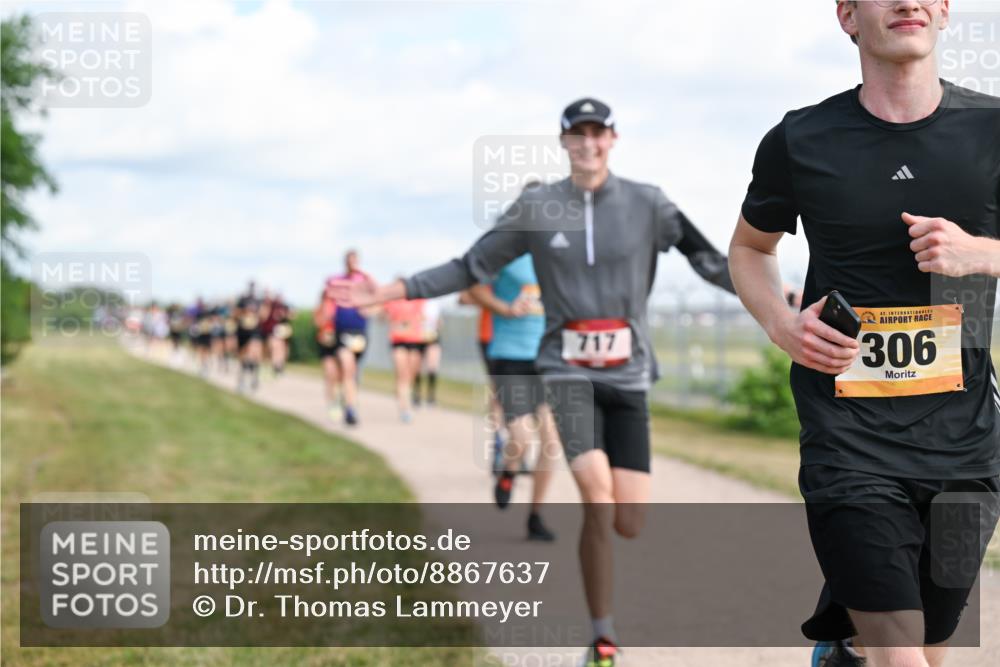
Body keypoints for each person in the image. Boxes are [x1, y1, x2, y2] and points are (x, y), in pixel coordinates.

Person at [334, 96, 736, 666]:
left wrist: (778, 300)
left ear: (613, 140)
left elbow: (710, 261)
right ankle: (602, 637)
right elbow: (468, 267)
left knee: (629, 519)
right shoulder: (538, 207)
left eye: (599, 134)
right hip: (565, 372)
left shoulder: (649, 204)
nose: (589, 144)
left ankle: (601, 620)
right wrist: (393, 289)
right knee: (596, 498)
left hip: (629, 376)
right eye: (578, 135)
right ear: (564, 143)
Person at [729, 3, 1000, 666]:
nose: (907, 1)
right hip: (848, 437)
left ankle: (844, 648)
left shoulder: (992, 129)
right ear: (848, 16)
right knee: (902, 656)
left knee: (931, 645)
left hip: (964, 443)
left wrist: (981, 254)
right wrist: (781, 324)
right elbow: (749, 248)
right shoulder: (801, 139)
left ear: (943, 12)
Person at [467, 251, 560, 542]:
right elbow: (473, 289)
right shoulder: (507, 254)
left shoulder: (557, 257)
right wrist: (504, 308)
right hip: (509, 357)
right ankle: (508, 472)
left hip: (547, 358)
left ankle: (535, 516)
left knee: (552, 443)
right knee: (521, 438)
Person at [331, 250, 375, 426]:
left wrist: (369, 310)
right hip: (342, 333)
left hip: (360, 334)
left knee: (353, 371)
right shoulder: (337, 282)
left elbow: (377, 300)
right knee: (348, 369)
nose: (353, 264)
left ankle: (349, 398)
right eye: (350, 261)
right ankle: (350, 410)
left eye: (356, 261)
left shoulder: (364, 283)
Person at [382, 295, 427, 422]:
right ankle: (405, 408)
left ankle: (404, 394)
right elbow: (384, 316)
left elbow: (424, 316)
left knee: (411, 374)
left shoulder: (418, 300)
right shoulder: (392, 300)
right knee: (402, 373)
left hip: (415, 339)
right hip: (398, 340)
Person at [314, 280, 341, 421]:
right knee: (330, 373)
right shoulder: (321, 307)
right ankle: (332, 403)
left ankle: (340, 398)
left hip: (339, 342)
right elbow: (318, 323)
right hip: (326, 344)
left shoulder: (341, 306)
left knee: (340, 375)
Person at [234, 281, 264, 392]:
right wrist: (244, 312)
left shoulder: (259, 301)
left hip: (254, 331)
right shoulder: (242, 300)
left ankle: (254, 377)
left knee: (254, 352)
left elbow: (263, 316)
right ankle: (242, 379)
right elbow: (235, 314)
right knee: (242, 356)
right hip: (243, 331)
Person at [413, 297, 443, 406]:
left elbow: (439, 320)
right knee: (418, 367)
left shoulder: (436, 301)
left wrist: (438, 324)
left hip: (432, 336)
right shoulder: (417, 300)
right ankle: (417, 394)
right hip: (418, 336)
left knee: (432, 366)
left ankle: (431, 396)